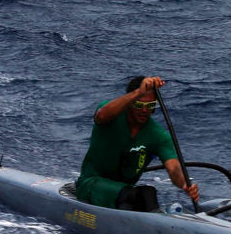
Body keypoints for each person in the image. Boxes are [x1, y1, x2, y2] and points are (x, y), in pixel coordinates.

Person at [76, 75, 200, 211]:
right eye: (139, 105)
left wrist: (184, 184)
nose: (144, 110)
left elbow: (173, 168)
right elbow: (101, 116)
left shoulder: (158, 135)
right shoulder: (111, 115)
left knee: (148, 193)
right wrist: (139, 92)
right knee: (128, 194)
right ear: (130, 101)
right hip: (91, 183)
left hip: (125, 191)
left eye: (150, 105)